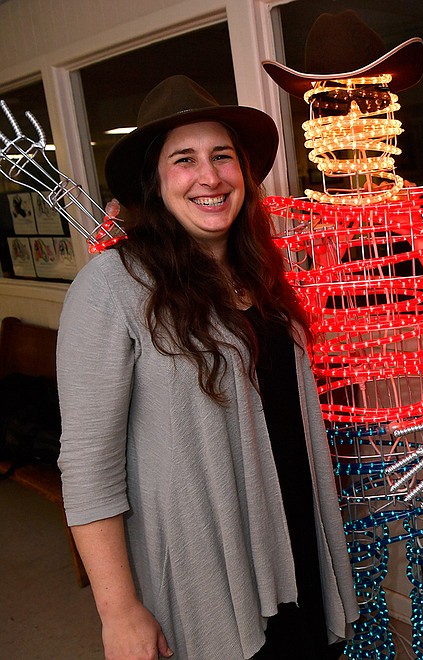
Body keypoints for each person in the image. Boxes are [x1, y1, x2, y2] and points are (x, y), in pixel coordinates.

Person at [57, 75, 359, 660]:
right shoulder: (113, 285)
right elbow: (89, 465)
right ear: (155, 180)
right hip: (208, 554)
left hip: (291, 530)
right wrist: (118, 611)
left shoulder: (258, 275)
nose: (210, 177)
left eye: (222, 156)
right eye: (184, 160)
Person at [261, 10, 423, 658]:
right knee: (358, 613)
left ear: (388, 107)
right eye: (331, 100)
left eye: (367, 97)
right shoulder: (281, 229)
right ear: (311, 115)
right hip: (339, 461)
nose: (350, 113)